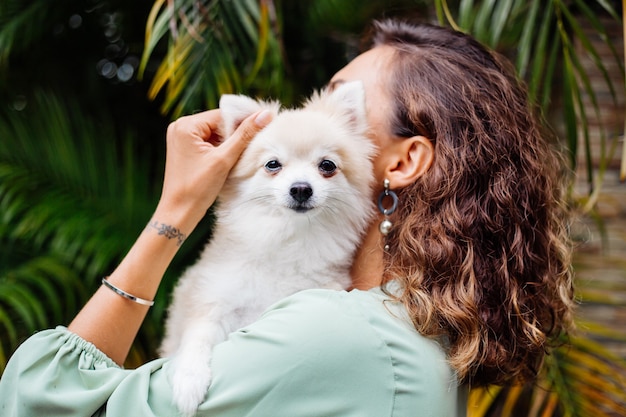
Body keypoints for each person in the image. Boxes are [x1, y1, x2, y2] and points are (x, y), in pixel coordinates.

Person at [0, 19, 575, 416]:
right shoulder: (418, 332)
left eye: (344, 104)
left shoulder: (333, 333)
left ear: (403, 161)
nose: (316, 114)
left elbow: (44, 403)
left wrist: (174, 212)